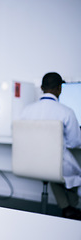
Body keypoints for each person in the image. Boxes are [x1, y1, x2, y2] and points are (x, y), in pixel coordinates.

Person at [20, 72, 81, 220]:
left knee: (53, 172)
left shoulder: (26, 111)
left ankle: (66, 208)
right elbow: (75, 142)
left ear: (41, 88)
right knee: (71, 174)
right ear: (60, 88)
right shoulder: (66, 112)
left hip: (32, 162)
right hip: (54, 164)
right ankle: (71, 208)